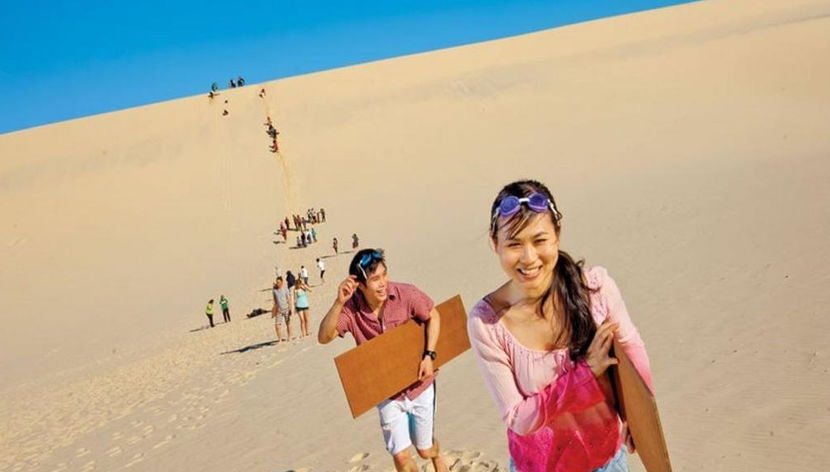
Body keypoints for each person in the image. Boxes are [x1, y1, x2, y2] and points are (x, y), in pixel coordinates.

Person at [466, 180, 654, 472]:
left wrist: (640, 417)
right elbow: (519, 418)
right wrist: (584, 374)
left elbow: (631, 347)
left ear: (557, 234)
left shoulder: (594, 289)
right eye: (514, 244)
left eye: (539, 240)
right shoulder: (487, 323)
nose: (529, 258)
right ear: (494, 243)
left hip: (607, 461)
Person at [318, 249, 449, 472]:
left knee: (424, 450)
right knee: (401, 457)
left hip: (420, 385)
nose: (383, 283)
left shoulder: (406, 294)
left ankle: (436, 454)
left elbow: (433, 315)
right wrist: (339, 302)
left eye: (384, 275)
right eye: (375, 279)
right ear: (360, 285)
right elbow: (324, 337)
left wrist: (429, 355)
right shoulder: (352, 309)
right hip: (387, 393)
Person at [271, 277, 294, 342]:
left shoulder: (285, 289)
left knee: (288, 323)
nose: (277, 283)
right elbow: (275, 301)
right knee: (277, 326)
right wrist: (274, 310)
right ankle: (280, 339)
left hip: (286, 309)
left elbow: (289, 299)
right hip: (279, 311)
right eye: (277, 282)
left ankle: (289, 337)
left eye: (279, 282)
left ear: (282, 282)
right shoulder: (274, 290)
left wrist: (290, 309)